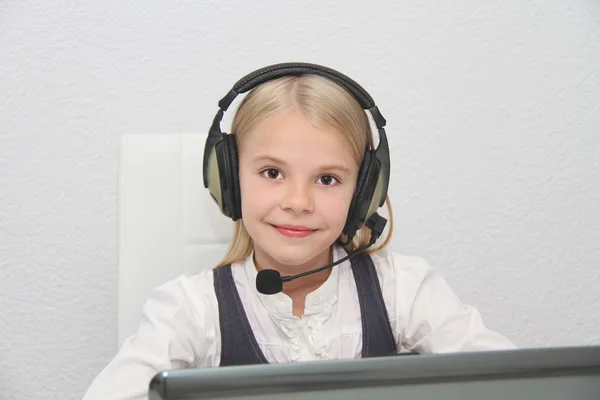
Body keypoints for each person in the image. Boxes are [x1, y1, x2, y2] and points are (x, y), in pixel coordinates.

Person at [83, 63, 516, 400]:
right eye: (272, 172)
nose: (298, 201)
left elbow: (514, 384)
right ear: (229, 180)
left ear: (364, 193)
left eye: (327, 179)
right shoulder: (189, 310)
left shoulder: (404, 289)